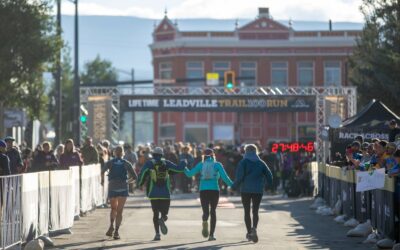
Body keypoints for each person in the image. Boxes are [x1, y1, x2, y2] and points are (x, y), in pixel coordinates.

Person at [184, 148, 233, 241]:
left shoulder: (201, 165)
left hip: (203, 190)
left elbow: (190, 174)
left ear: (204, 156)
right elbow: (225, 177)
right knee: (213, 211)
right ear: (213, 155)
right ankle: (211, 235)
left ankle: (205, 221)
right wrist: (233, 185)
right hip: (214, 190)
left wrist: (184, 167)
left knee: (205, 211)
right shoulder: (217, 164)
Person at [137, 147, 186, 241]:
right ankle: (162, 219)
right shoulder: (166, 163)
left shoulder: (149, 163)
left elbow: (142, 174)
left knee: (155, 214)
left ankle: (157, 234)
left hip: (153, 193)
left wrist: (140, 184)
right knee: (165, 213)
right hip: (165, 193)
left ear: (153, 154)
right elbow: (179, 169)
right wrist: (184, 161)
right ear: (162, 154)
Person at [232, 144, 273, 243]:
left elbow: (239, 177)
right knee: (255, 211)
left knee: (247, 211)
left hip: (245, 190)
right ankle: (254, 228)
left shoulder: (243, 162)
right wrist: (268, 186)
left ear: (246, 151)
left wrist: (233, 187)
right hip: (258, 190)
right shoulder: (261, 162)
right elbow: (270, 175)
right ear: (256, 151)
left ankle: (249, 233)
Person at [101, 145, 137, 240]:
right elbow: (135, 177)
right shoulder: (126, 163)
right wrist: (127, 182)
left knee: (113, 209)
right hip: (123, 188)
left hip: (113, 187)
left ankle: (111, 226)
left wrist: (102, 181)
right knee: (120, 211)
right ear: (123, 153)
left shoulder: (110, 162)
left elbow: (102, 171)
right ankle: (116, 231)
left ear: (114, 153)